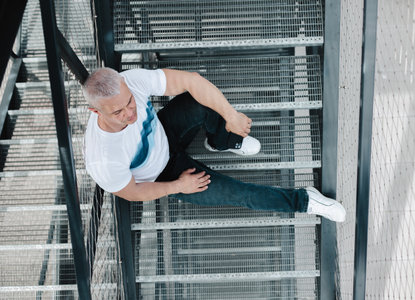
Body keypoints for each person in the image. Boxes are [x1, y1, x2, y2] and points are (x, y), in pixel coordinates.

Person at [82, 67, 346, 222]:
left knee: (199, 99)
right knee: (239, 194)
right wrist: (178, 186)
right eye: (118, 113)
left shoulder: (131, 80)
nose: (130, 113)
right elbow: (132, 192)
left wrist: (231, 116)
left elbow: (191, 80)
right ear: (96, 113)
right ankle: (306, 200)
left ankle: (223, 140)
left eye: (130, 102)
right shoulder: (102, 158)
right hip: (163, 174)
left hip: (163, 132)